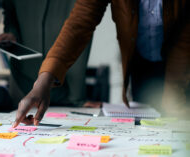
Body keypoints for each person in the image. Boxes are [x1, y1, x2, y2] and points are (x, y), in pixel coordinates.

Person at [13, 0, 190, 127]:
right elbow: (79, 23)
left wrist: (175, 91)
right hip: (141, 64)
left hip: (185, 64)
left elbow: (185, 38)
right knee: (150, 131)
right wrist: (44, 81)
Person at [0, 0, 97, 108]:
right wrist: (11, 33)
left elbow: (81, 27)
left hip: (67, 85)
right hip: (22, 76)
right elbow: (10, 12)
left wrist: (78, 99)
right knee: (17, 120)